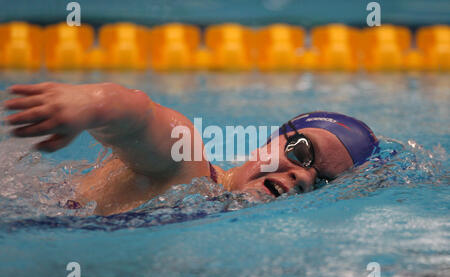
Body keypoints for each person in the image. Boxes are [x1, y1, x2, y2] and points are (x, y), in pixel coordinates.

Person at [3, 82, 378, 215]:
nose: (304, 176)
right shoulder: (189, 167)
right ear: (269, 142)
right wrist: (90, 104)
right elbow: (139, 114)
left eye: (325, 182)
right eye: (301, 151)